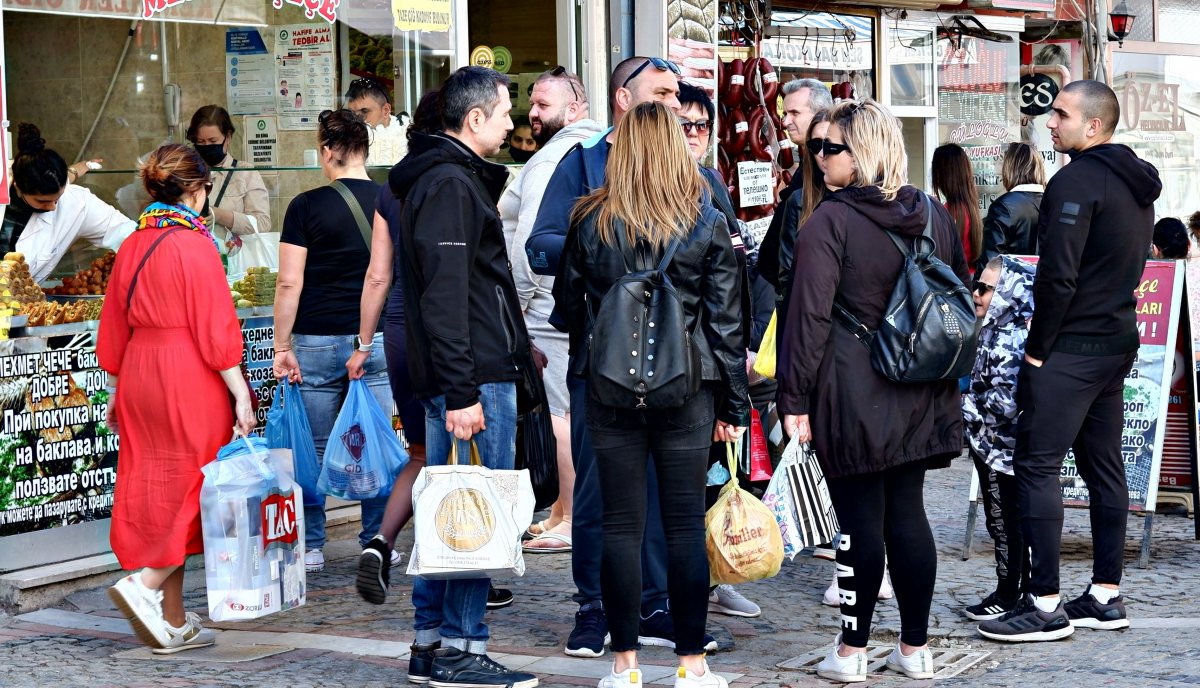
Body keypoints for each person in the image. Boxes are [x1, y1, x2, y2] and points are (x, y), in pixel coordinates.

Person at [348, 66, 539, 688]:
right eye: (505, 110)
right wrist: (461, 392)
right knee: (470, 513)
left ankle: (432, 644)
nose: (512, 122)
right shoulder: (452, 183)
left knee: (449, 509)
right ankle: (459, 646)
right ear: (474, 118)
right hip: (472, 378)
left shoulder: (440, 179)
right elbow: (446, 295)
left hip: (468, 372)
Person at [527, 56, 720, 659]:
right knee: (599, 496)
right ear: (623, 99)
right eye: (660, 94)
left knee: (672, 498)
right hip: (604, 363)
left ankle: (659, 603)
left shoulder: (698, 179)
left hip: (679, 367)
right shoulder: (582, 166)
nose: (674, 106)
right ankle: (595, 610)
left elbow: (722, 273)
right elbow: (542, 245)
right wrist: (609, 258)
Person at [555, 100, 748, 688]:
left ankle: (625, 666)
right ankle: (692, 663)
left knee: (619, 525)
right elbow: (726, 324)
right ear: (673, 148)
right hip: (687, 391)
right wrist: (735, 407)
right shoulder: (705, 220)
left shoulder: (590, 219)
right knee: (685, 526)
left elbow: (567, 311)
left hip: (609, 389)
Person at [777, 99, 968, 682]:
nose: (819, 156)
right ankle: (914, 649)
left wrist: (793, 400)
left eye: (829, 147)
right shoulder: (931, 214)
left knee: (860, 519)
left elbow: (805, 319)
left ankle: (853, 651)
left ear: (860, 155)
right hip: (920, 383)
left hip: (854, 385)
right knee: (907, 513)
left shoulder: (829, 221)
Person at [978, 79, 1162, 643]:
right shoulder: (1138, 183)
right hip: (1115, 343)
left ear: (1094, 126)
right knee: (1104, 467)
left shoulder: (1073, 181)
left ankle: (1045, 604)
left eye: (1060, 114)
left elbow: (1059, 276)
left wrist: (1035, 351)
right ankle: (1105, 595)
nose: (1049, 123)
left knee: (1037, 466)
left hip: (1070, 350)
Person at [98, 143, 257, 654]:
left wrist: (118, 390)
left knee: (161, 491)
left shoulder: (132, 243)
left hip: (140, 373)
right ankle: (143, 589)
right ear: (195, 187)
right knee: (198, 489)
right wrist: (242, 397)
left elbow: (113, 328)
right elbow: (216, 331)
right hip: (185, 374)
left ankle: (171, 620)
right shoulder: (194, 245)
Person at [270, 109, 394, 574]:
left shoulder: (305, 206)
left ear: (328, 151)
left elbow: (288, 283)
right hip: (377, 338)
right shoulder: (390, 199)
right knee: (374, 441)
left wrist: (282, 347)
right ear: (365, 149)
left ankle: (315, 543)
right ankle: (377, 540)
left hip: (318, 340)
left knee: (316, 446)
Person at [499, 67, 600, 556]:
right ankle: (562, 509)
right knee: (564, 407)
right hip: (571, 301)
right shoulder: (597, 150)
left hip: (545, 304)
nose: (532, 115)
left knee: (560, 411)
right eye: (532, 105)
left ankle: (573, 517)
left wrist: (517, 309)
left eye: (543, 105)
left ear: (575, 107)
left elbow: (528, 245)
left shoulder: (551, 161)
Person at [675, 81, 763, 621]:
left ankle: (717, 573)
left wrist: (743, 349)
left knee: (720, 474)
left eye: (701, 127)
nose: (692, 136)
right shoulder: (640, 188)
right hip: (667, 369)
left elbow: (736, 274)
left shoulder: (711, 182)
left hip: (714, 361)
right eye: (681, 125)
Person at [350, 89, 440, 607]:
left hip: (400, 330)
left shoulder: (391, 190)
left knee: (422, 452)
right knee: (459, 452)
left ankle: (382, 541)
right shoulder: (455, 180)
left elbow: (377, 276)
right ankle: (464, 562)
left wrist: (365, 343)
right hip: (446, 332)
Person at [962, 256, 1037, 621]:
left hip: (1000, 449)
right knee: (1009, 520)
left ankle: (1010, 593)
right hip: (998, 446)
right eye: (977, 285)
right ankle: (1020, 589)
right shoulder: (1000, 326)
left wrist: (963, 410)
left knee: (1005, 522)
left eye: (986, 288)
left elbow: (1003, 403)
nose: (976, 293)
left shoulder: (1011, 335)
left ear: (1008, 293)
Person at [0, 122, 134, 282]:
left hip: (24, 302)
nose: (52, 207)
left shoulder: (77, 203)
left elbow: (129, 235)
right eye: (42, 201)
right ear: (18, 187)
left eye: (58, 198)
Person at [757, 78, 833, 299]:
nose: (785, 121)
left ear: (820, 114)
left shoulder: (829, 173)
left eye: (794, 113)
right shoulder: (807, 169)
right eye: (785, 113)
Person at [186, 106, 272, 271]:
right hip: (192, 262)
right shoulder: (186, 173)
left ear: (228, 137)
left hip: (232, 265)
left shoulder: (245, 172)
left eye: (213, 141)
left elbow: (263, 223)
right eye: (201, 142)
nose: (207, 146)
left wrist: (217, 215)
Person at [980, 142, 1045, 266]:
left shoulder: (1003, 207)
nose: (995, 167)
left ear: (1010, 166)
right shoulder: (1052, 201)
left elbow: (991, 263)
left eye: (999, 162)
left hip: (1011, 283)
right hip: (1046, 283)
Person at [932, 142, 983, 271]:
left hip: (952, 284)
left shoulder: (944, 212)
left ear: (941, 175)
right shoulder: (970, 210)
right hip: (969, 282)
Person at [345, 77, 409, 166]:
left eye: (364, 112)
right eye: (352, 113)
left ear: (386, 110)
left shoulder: (409, 137)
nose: (356, 119)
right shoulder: (345, 141)